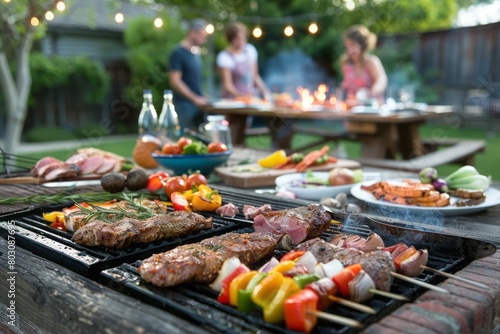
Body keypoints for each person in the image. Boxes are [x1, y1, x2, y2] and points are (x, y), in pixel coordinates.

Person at [216, 22, 291, 148]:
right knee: (235, 128)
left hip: (250, 99)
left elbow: (255, 76)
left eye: (243, 37)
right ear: (232, 39)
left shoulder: (250, 51)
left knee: (254, 125)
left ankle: (279, 146)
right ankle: (234, 148)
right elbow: (227, 85)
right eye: (238, 38)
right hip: (232, 100)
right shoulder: (225, 57)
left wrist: (265, 92)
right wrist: (243, 96)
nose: (242, 41)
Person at [168, 19, 210, 130]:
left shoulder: (196, 53)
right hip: (184, 105)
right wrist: (194, 98)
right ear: (192, 32)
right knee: (183, 140)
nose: (203, 39)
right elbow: (175, 81)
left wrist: (201, 94)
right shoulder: (178, 53)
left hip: (198, 104)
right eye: (201, 35)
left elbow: (193, 80)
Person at [339, 25, 387, 105]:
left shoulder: (371, 61)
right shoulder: (347, 64)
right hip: (353, 109)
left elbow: (381, 80)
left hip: (372, 108)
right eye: (347, 46)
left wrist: (373, 92)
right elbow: (345, 85)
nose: (350, 50)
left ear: (362, 45)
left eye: (353, 45)